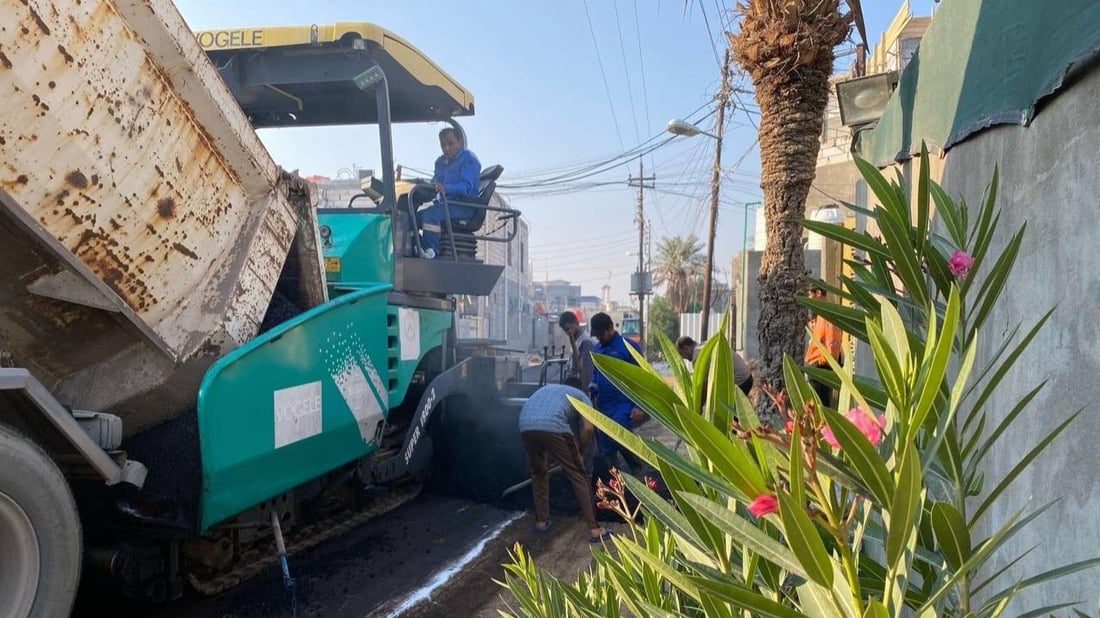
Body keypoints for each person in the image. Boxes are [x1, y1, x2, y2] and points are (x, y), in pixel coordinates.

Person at [518, 377, 612, 543]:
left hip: (525, 424)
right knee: (579, 475)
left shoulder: (549, 390)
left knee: (538, 473)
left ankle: (541, 522)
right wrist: (580, 451)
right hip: (554, 425)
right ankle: (595, 529)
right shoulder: (582, 396)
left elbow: (544, 433)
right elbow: (588, 428)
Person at [588, 312, 646, 475]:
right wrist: (592, 388)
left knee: (621, 435)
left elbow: (642, 377)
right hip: (604, 405)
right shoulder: (598, 349)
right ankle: (615, 481)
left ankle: (638, 471)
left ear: (610, 328)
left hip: (624, 402)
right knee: (605, 443)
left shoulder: (628, 347)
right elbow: (595, 374)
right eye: (596, 335)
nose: (599, 337)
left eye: (601, 334)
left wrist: (638, 405)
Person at [411, 127, 481, 259]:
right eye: (443, 144)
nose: (446, 148)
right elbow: (435, 183)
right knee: (411, 219)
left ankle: (431, 253)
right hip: (444, 205)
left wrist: (446, 188)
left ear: (459, 142)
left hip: (463, 206)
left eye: (450, 143)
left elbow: (465, 186)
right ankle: (416, 248)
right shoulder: (440, 162)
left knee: (430, 215)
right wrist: (425, 186)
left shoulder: (469, 159)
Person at [804, 285, 843, 406]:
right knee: (822, 404)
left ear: (818, 293)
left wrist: (826, 360)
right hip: (823, 365)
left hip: (820, 365)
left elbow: (831, 340)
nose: (809, 300)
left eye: (810, 295)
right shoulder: (826, 314)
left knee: (819, 405)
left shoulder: (826, 314)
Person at [559, 311, 595, 389]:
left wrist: (584, 393)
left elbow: (586, 372)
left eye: (570, 328)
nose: (568, 332)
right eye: (566, 330)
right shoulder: (576, 340)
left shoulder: (586, 342)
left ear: (576, 323)